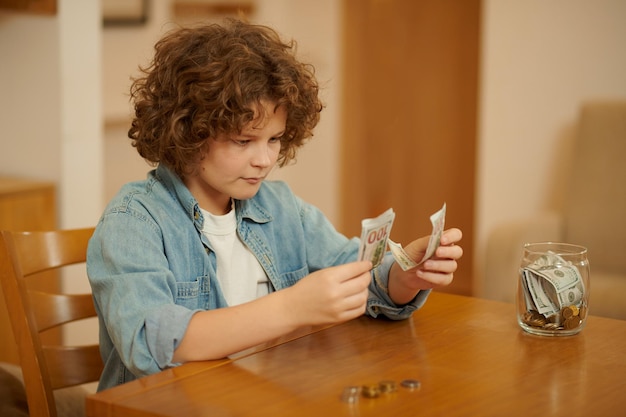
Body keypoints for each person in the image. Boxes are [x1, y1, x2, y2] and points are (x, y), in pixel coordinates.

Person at [87, 18, 463, 391]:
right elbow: (151, 343)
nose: (265, 160)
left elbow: (362, 281)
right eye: (243, 141)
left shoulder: (280, 207)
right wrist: (292, 308)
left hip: (263, 396)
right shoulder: (134, 221)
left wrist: (404, 275)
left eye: (275, 139)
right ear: (188, 131)